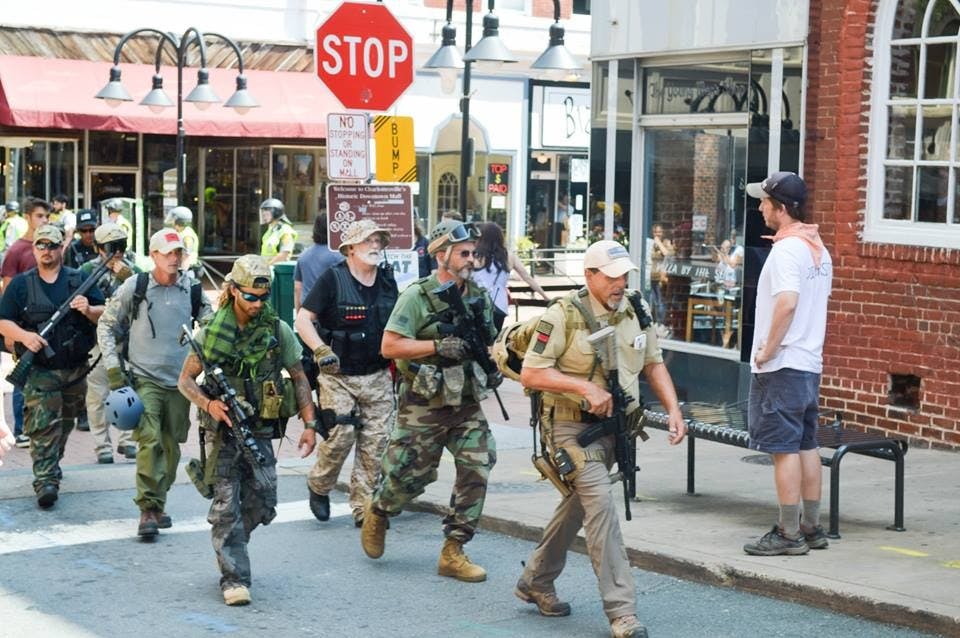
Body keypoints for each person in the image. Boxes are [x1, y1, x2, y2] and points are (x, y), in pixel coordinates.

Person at [513, 239, 686, 638]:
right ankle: (622, 611)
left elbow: (653, 363)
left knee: (578, 507)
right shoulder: (561, 316)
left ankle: (535, 581)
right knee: (601, 508)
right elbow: (532, 373)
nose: (620, 283)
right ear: (588, 276)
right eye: (611, 277)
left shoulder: (634, 310)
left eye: (624, 275)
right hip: (570, 428)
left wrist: (674, 410)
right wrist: (584, 388)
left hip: (613, 430)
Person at [360, 219, 499, 583]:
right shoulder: (416, 297)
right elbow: (389, 346)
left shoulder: (477, 296)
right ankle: (381, 510)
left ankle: (454, 549)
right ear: (441, 256)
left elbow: (488, 342)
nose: (472, 259)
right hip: (422, 403)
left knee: (479, 464)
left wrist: (495, 364)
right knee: (407, 472)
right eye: (463, 253)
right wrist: (436, 346)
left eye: (474, 252)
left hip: (465, 401)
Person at [178, 255, 318, 606]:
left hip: (259, 429)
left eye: (263, 298)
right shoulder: (211, 333)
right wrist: (208, 404)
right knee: (227, 507)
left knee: (263, 502)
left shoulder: (275, 331)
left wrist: (310, 424)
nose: (257, 305)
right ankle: (233, 577)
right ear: (233, 291)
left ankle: (232, 543)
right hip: (222, 430)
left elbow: (299, 376)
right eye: (250, 298)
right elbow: (184, 380)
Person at [97, 229, 212, 539]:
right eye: (168, 253)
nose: (175, 258)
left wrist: (209, 363)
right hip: (143, 378)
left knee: (171, 445)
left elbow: (212, 329)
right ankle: (148, 508)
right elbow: (106, 326)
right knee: (149, 440)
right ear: (154, 256)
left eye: (179, 253)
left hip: (181, 382)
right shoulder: (136, 286)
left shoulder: (193, 289)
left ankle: (159, 501)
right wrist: (113, 370)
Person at [742, 171, 833, 556]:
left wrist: (767, 351)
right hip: (809, 362)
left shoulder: (786, 251)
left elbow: (788, 302)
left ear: (780, 207)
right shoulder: (818, 249)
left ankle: (788, 532)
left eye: (764, 201)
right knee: (806, 443)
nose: (760, 207)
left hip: (783, 364)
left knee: (783, 449)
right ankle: (811, 527)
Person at [295, 219, 398, 526]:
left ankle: (363, 506)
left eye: (378, 240)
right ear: (351, 248)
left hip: (377, 375)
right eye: (368, 241)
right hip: (338, 376)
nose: (375, 246)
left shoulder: (387, 280)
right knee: (341, 435)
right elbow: (303, 319)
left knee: (376, 443)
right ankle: (320, 484)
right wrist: (320, 349)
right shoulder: (333, 279)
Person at [0, 224, 105, 508]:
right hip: (40, 371)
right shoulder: (22, 285)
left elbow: (104, 313)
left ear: (62, 248)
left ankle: (51, 464)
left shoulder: (79, 279)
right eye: (41, 246)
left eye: (52, 246)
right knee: (43, 426)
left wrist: (89, 309)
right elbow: (3, 320)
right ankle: (45, 480)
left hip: (75, 370)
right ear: (34, 249)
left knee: (66, 423)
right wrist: (25, 337)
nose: (46, 251)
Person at [82, 223, 142, 463]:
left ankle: (128, 440)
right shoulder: (86, 271)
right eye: (111, 246)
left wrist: (128, 278)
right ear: (99, 248)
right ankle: (102, 445)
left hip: (129, 340)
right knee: (97, 394)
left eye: (121, 246)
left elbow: (144, 303)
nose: (117, 252)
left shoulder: (134, 271)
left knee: (131, 389)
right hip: (97, 341)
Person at [2, 197, 51, 450]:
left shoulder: (52, 247)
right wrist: (11, 331)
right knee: (22, 375)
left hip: (48, 324)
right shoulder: (17, 250)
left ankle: (40, 426)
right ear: (28, 217)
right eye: (40, 216)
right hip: (22, 325)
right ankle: (21, 429)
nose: (43, 220)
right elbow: (8, 288)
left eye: (46, 216)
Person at [472, 221, 549, 330]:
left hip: (478, 303)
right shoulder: (509, 256)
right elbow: (527, 277)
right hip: (499, 305)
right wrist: (545, 297)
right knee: (493, 339)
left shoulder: (476, 256)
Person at [293, 213, 343, 311]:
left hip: (308, 310)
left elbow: (298, 288)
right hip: (332, 312)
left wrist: (300, 314)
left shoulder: (303, 256)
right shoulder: (339, 256)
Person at [646, 223, 674, 325]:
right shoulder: (651, 244)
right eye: (655, 232)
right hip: (651, 276)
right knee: (652, 301)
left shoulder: (665, 243)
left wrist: (658, 242)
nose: (657, 234)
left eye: (659, 232)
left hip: (661, 277)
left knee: (660, 302)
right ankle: (653, 322)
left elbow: (667, 253)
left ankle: (661, 323)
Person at [259, 198, 297, 264]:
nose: (264, 217)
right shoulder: (271, 231)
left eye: (267, 215)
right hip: (267, 271)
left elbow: (284, 255)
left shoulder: (286, 231)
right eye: (263, 215)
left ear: (276, 213)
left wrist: (268, 266)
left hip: (278, 271)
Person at [165, 206, 201, 276]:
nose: (172, 222)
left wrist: (182, 275)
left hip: (187, 271)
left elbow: (186, 256)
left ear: (178, 221)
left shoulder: (187, 236)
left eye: (173, 220)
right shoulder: (181, 233)